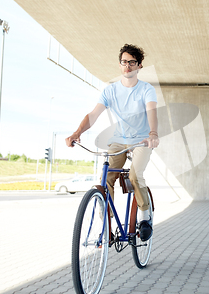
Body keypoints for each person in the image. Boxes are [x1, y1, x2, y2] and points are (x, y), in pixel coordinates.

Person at [65, 43, 159, 241]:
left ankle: (144, 215)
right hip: (118, 140)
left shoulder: (146, 89)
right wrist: (77, 132)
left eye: (132, 63)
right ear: (120, 64)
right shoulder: (111, 91)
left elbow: (151, 111)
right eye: (124, 62)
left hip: (141, 140)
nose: (127, 67)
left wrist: (152, 133)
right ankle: (106, 221)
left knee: (135, 175)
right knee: (106, 177)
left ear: (139, 66)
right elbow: (93, 115)